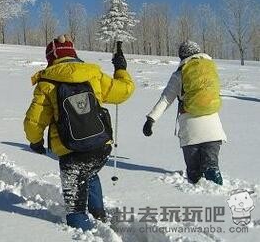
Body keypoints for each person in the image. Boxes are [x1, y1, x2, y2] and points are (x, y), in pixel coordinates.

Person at [24, 35, 135, 231]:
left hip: (71, 150)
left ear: (51, 58)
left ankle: (81, 230)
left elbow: (34, 120)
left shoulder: (47, 82)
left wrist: (35, 142)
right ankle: (99, 215)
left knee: (75, 203)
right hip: (100, 145)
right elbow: (124, 91)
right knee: (90, 173)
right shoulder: (93, 75)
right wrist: (121, 68)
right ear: (73, 54)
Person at [142, 40, 226, 185]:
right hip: (214, 128)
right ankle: (217, 191)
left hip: (190, 129)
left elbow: (166, 100)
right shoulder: (211, 69)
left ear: (182, 56)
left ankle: (194, 192)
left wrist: (151, 119)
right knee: (211, 165)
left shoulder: (179, 75)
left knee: (194, 172)